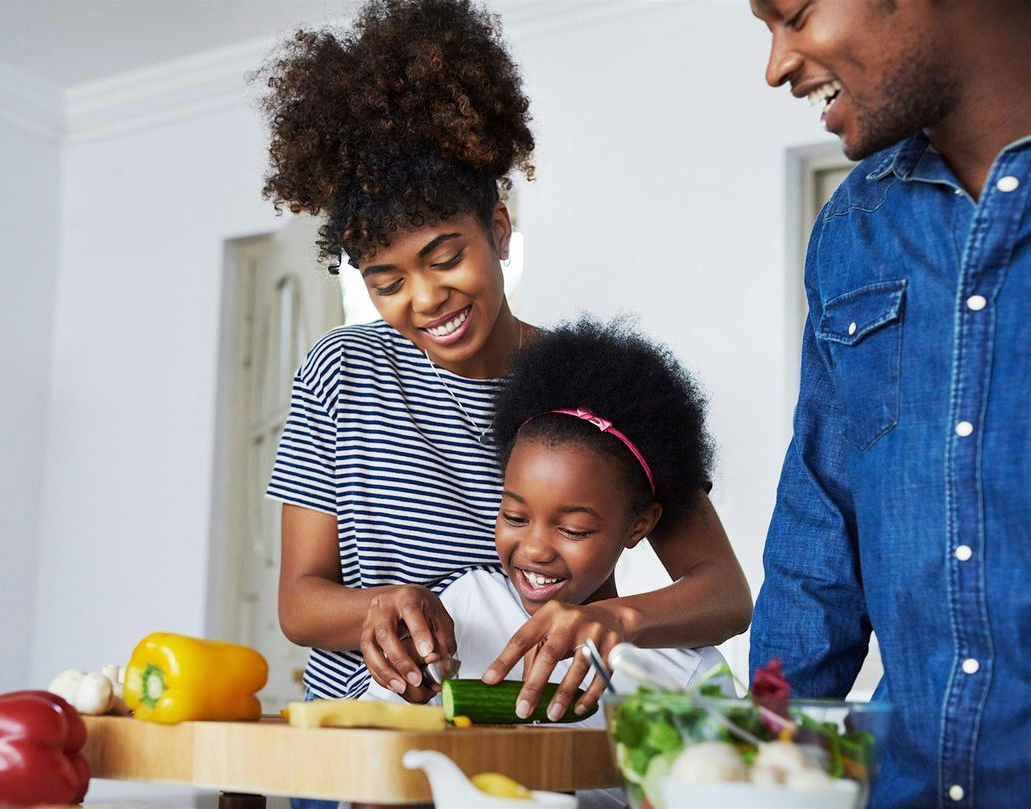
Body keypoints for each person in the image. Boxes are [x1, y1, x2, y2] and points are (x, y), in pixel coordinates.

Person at [260, 0, 751, 729]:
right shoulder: (342, 370)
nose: (425, 300)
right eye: (385, 280)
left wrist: (610, 619)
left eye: (445, 257)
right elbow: (301, 602)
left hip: (537, 739)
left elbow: (723, 594)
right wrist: (381, 606)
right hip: (363, 734)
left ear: (498, 230)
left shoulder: (588, 389)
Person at [747, 1, 1031, 807]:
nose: (777, 64)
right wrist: (758, 757)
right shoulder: (851, 228)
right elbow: (814, 549)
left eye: (794, 14)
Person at [362, 318, 728, 722]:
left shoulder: (684, 672)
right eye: (514, 516)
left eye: (573, 530)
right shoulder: (467, 607)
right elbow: (370, 746)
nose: (534, 548)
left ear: (639, 526)